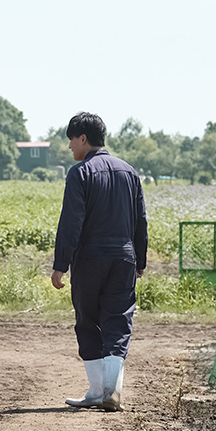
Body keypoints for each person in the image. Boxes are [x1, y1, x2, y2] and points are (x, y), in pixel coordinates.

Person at [51, 112, 148, 412]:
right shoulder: (129, 172)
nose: (69, 146)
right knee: (118, 321)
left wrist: (60, 264)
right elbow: (140, 222)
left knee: (88, 320)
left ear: (83, 138)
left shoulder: (80, 173)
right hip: (123, 258)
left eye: (70, 139)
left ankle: (96, 391)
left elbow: (71, 223)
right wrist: (140, 260)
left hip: (90, 258)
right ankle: (112, 391)